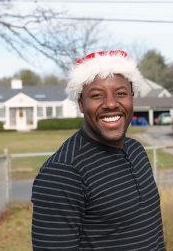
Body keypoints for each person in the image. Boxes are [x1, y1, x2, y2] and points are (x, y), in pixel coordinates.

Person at [31, 50, 165, 250]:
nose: (111, 104)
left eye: (121, 93)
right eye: (96, 95)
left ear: (132, 98)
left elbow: (153, 235)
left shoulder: (137, 151)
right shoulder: (63, 172)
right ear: (81, 104)